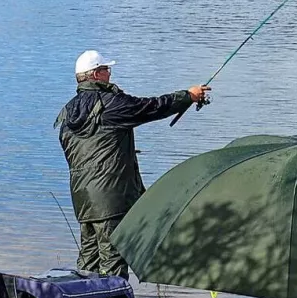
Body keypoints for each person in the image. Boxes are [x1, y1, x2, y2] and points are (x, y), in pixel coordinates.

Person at [55, 50, 209, 278]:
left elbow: (79, 151)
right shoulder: (111, 104)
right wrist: (188, 96)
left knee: (88, 266)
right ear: (96, 74)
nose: (110, 74)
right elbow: (151, 107)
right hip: (112, 202)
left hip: (83, 201)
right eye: (107, 69)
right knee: (113, 267)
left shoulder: (68, 112)